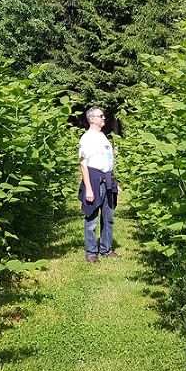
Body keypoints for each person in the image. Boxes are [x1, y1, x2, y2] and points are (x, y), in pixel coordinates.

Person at [78, 107, 121, 263]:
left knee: (108, 217)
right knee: (92, 218)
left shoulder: (103, 136)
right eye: (100, 116)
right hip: (94, 180)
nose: (104, 118)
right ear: (92, 119)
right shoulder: (87, 138)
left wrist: (115, 182)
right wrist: (88, 188)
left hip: (108, 179)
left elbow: (108, 161)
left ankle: (106, 249)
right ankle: (91, 252)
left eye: (103, 115)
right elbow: (83, 164)